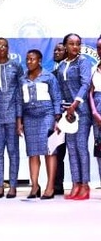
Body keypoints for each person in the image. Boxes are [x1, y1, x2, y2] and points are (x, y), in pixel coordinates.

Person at [16, 49, 62, 199]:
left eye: (32, 59)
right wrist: (19, 121)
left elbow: (56, 98)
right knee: (33, 152)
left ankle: (50, 187)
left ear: (40, 61)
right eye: (27, 59)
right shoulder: (22, 79)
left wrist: (57, 119)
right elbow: (19, 101)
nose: (29, 62)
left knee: (49, 151)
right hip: (29, 117)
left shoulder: (49, 77)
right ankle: (35, 186)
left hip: (47, 116)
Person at [0, 37, 24, 199]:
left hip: (13, 115)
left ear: (8, 48)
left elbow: (21, 92)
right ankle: (0, 186)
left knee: (13, 152)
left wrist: (19, 117)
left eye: (4, 46)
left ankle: (13, 186)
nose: (1, 48)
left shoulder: (16, 66)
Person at [56, 33, 92, 200]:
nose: (75, 47)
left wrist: (75, 104)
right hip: (67, 113)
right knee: (71, 149)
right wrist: (64, 109)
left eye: (78, 44)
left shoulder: (83, 61)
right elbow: (61, 89)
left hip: (81, 111)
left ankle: (85, 185)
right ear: (65, 46)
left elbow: (85, 84)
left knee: (81, 148)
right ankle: (75, 184)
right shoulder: (62, 65)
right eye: (71, 44)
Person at [52, 42, 67, 195]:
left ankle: (80, 184)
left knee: (76, 152)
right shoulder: (52, 72)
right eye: (55, 50)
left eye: (60, 50)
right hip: (57, 117)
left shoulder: (67, 71)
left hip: (71, 115)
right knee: (58, 153)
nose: (56, 52)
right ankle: (57, 185)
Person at [89, 35, 101, 188]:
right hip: (97, 111)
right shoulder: (93, 69)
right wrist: (94, 112)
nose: (100, 51)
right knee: (100, 150)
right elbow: (90, 93)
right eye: (99, 48)